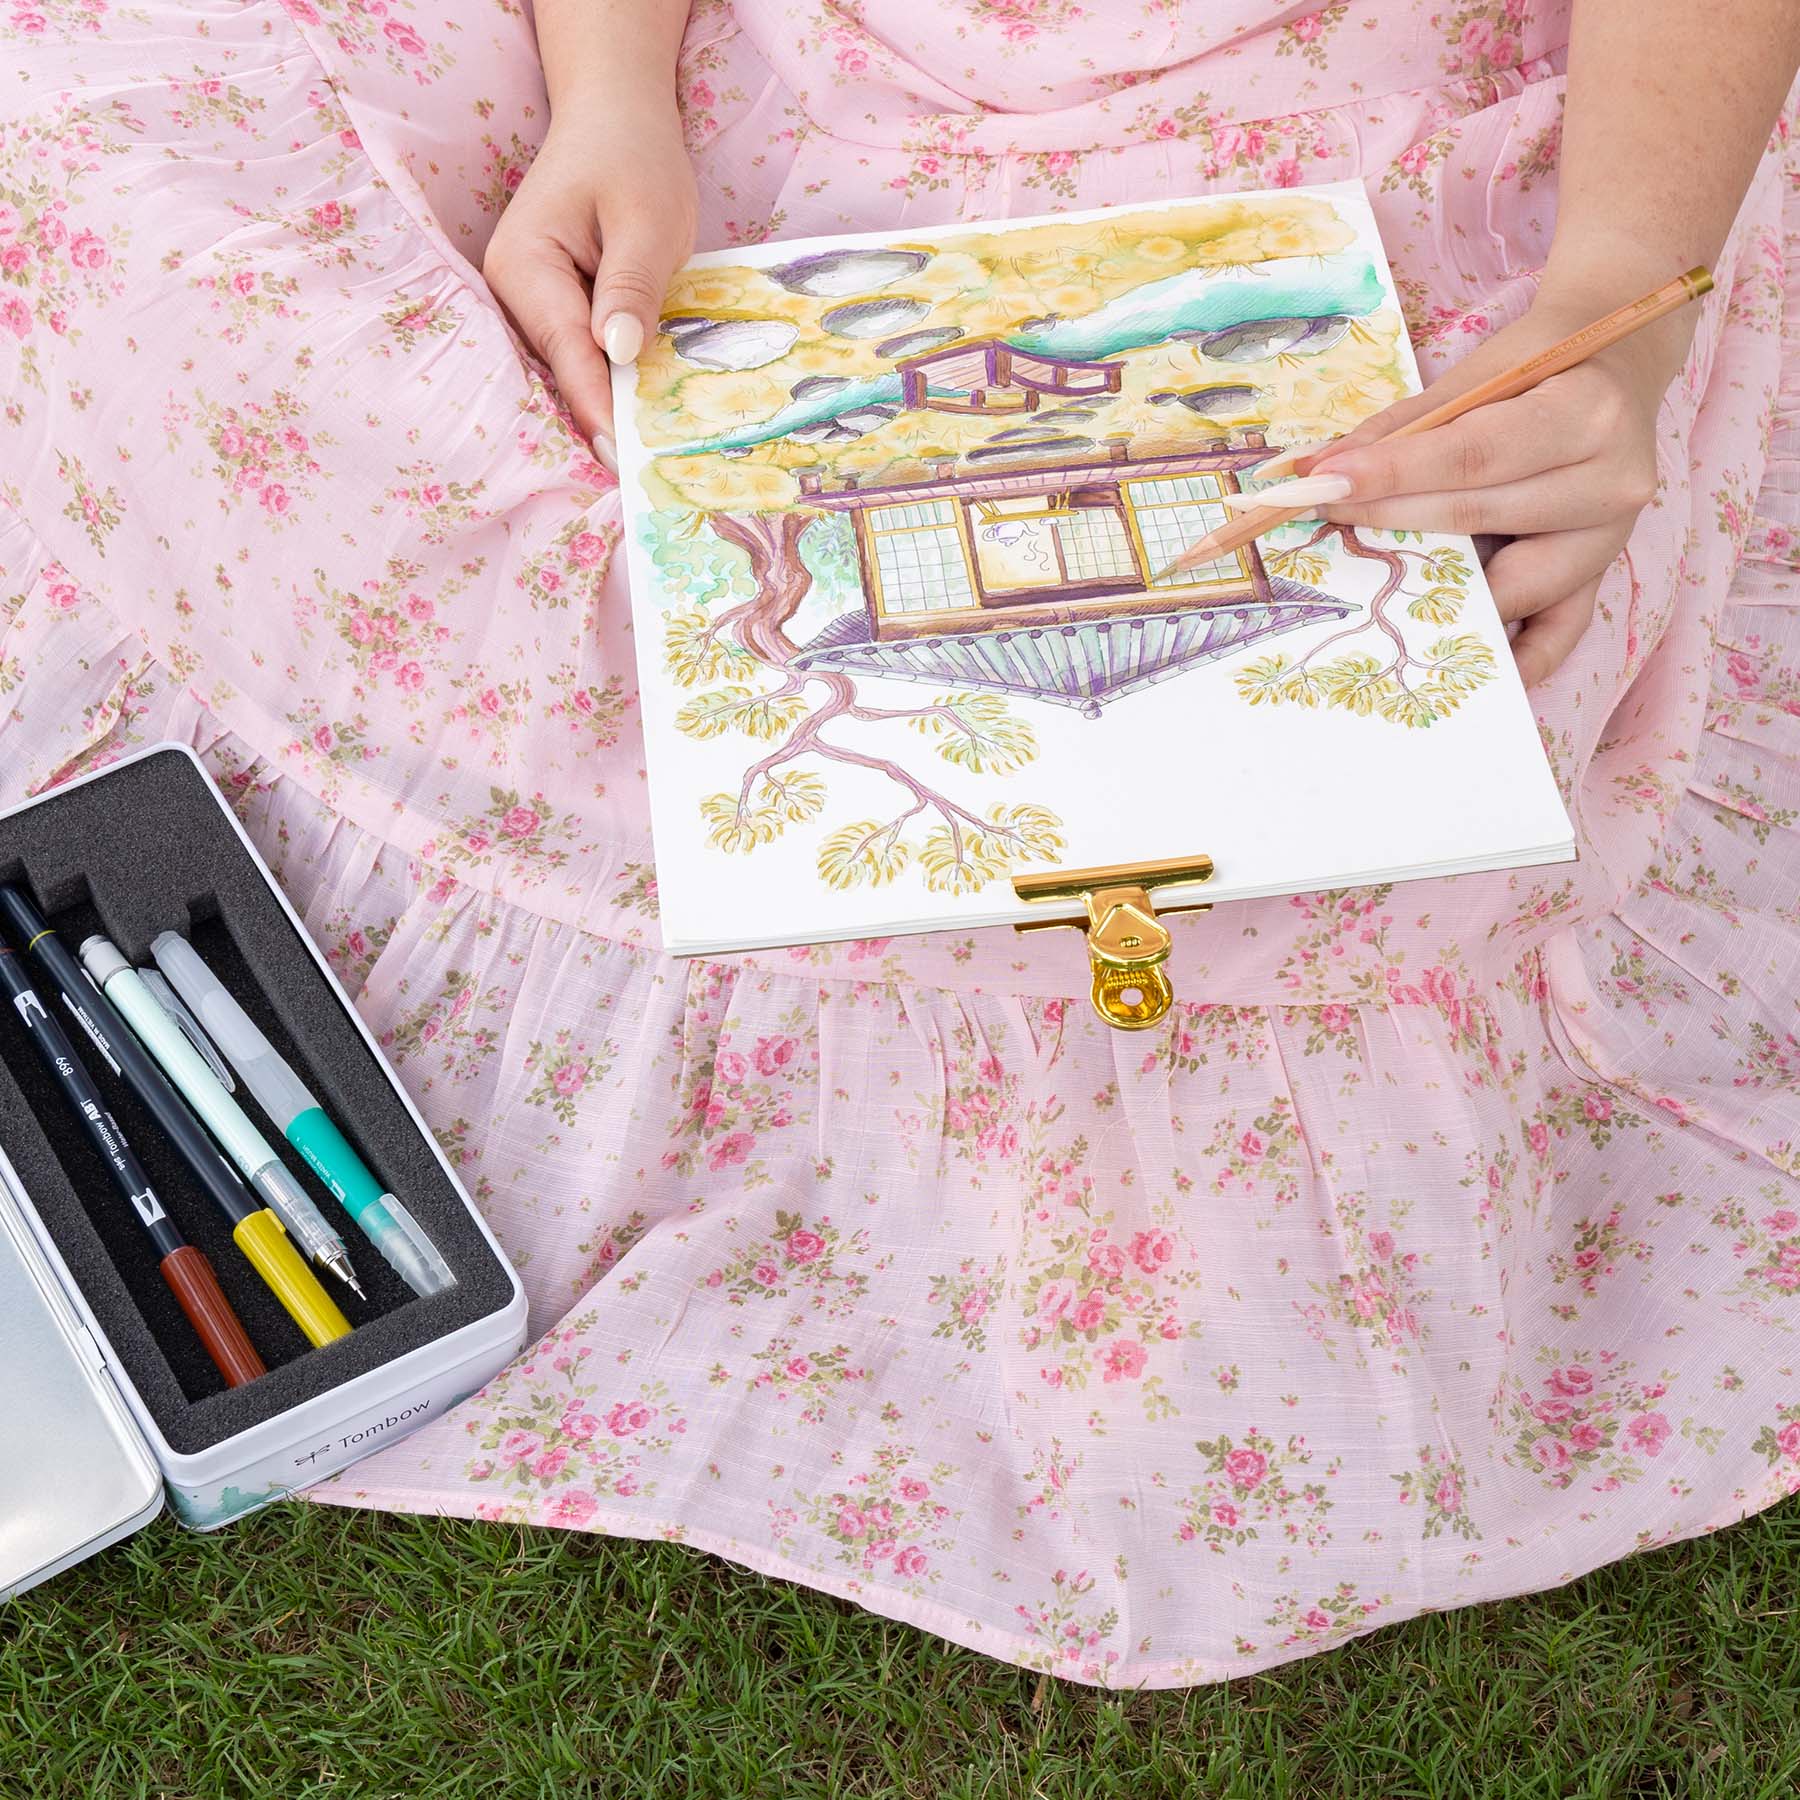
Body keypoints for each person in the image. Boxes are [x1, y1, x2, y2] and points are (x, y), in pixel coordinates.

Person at [0, 0, 1795, 1686]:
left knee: (1429, 644)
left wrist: (1621, 313)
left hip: (1366, 97)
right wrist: (613, 92)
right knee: (145, 224)